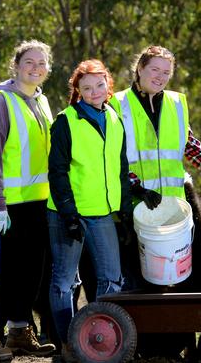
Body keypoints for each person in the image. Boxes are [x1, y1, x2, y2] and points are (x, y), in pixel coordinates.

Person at [0, 40, 56, 362]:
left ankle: (19, 333)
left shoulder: (42, 101)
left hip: (38, 203)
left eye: (42, 63)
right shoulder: (2, 101)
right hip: (7, 207)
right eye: (29, 62)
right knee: (4, 274)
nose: (35, 68)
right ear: (16, 65)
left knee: (30, 273)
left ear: (47, 70)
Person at [47, 59, 132, 361]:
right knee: (65, 282)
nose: (94, 91)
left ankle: (100, 340)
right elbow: (56, 171)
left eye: (99, 85)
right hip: (67, 214)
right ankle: (69, 345)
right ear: (78, 91)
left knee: (112, 279)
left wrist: (124, 212)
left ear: (108, 86)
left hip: (102, 212)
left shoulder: (115, 119)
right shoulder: (66, 121)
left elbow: (120, 169)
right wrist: (69, 213)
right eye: (86, 88)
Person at [109, 45, 201, 211]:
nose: (160, 77)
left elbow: (191, 147)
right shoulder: (118, 104)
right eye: (155, 69)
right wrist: (137, 188)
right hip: (133, 204)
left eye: (166, 72)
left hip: (174, 206)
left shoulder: (176, 104)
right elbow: (111, 157)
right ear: (140, 69)